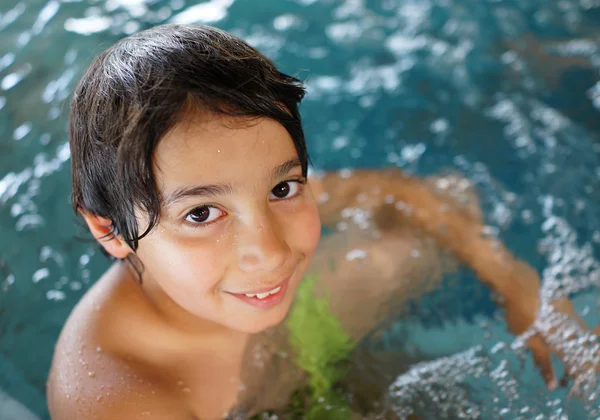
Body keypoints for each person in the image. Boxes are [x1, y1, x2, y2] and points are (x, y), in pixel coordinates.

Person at [46, 24, 586, 419]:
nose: (271, 252)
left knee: (445, 207)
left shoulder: (241, 226)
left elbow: (405, 193)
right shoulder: (120, 400)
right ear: (110, 229)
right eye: (202, 214)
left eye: (282, 188)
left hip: (297, 342)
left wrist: (518, 285)